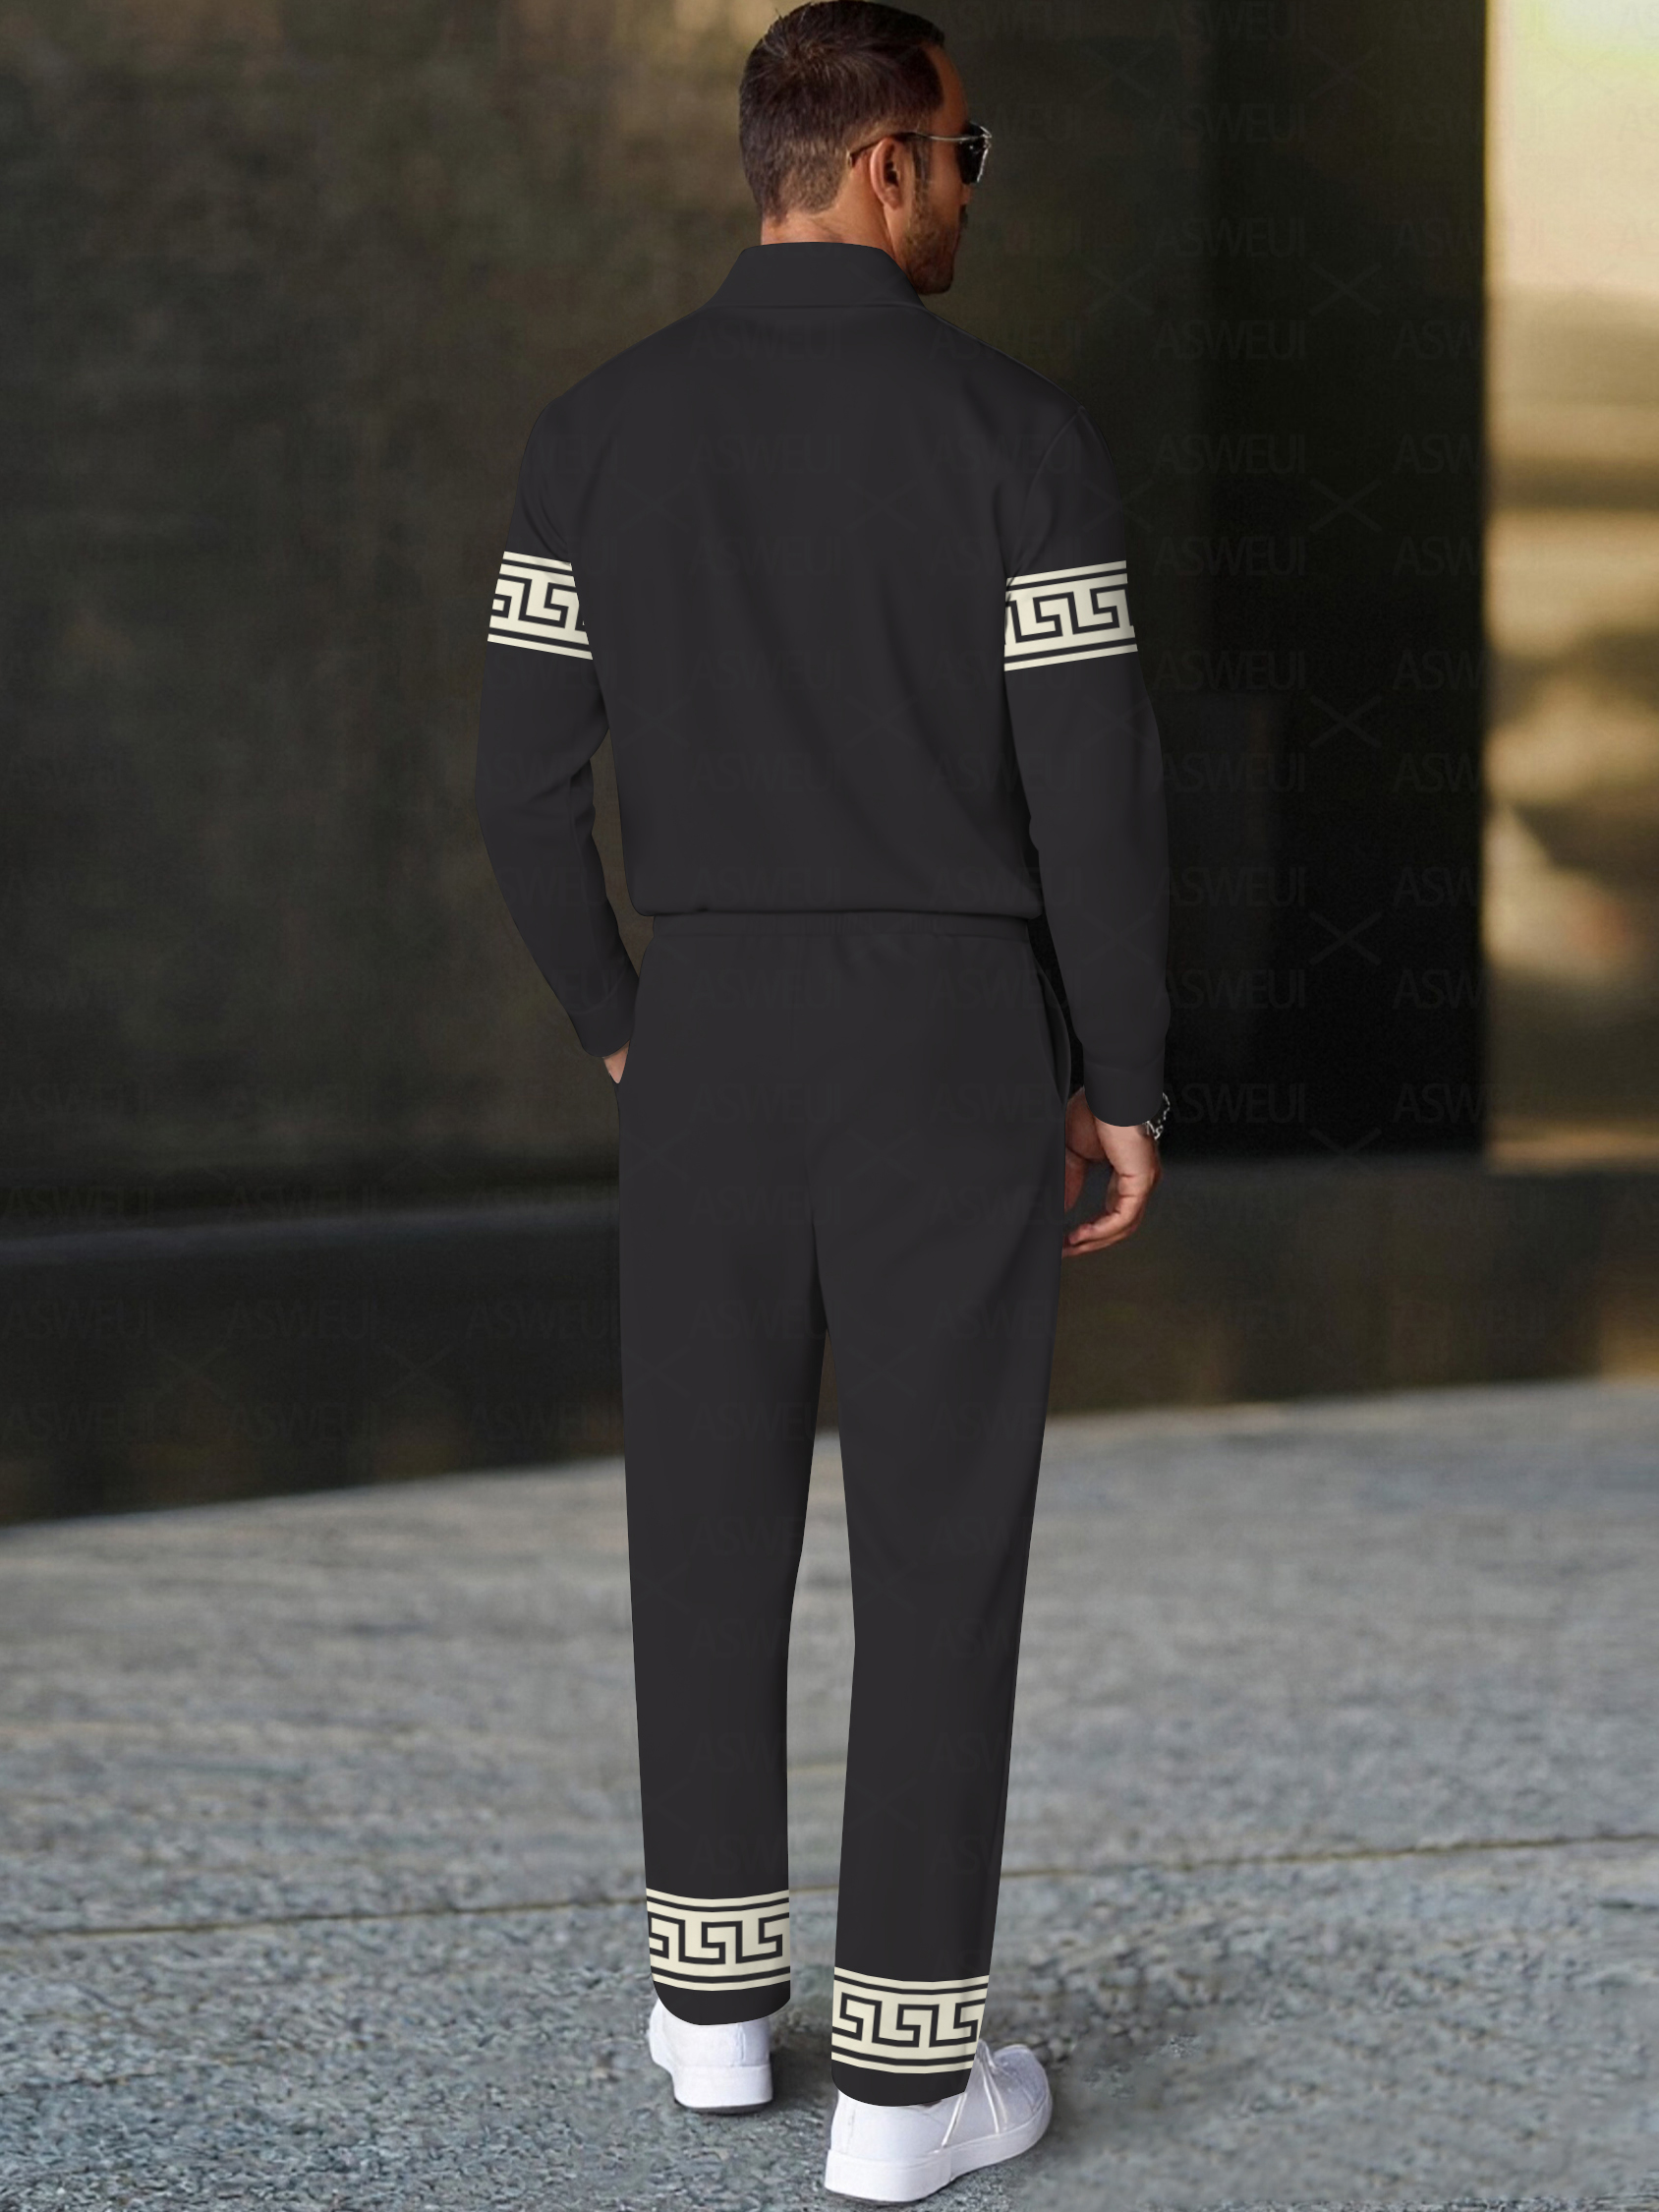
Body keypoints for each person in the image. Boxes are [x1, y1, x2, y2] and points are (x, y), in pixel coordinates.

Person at [473, 3, 1170, 2197]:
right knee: (936, 1547)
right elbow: (1094, 797)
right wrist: (1124, 1074)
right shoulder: (1017, 437)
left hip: (708, 1032)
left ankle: (709, 2025)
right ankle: (902, 2092)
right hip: (947, 1035)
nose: (970, 186)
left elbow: (516, 788)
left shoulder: (595, 432)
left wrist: (623, 1021)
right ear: (883, 165)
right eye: (964, 152)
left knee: (701, 1524)